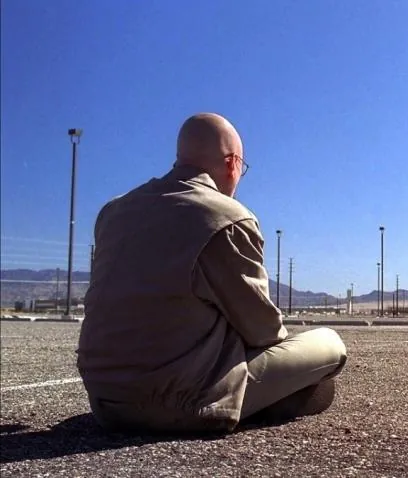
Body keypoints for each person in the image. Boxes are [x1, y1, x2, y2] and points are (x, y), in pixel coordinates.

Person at [77, 113, 347, 433]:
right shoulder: (226, 217)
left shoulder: (112, 213)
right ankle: (262, 400)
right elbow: (263, 331)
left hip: (106, 403)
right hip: (186, 403)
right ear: (233, 163)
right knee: (330, 345)